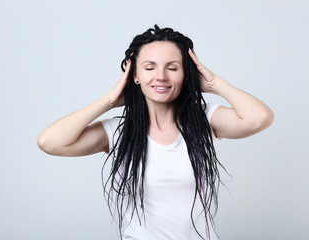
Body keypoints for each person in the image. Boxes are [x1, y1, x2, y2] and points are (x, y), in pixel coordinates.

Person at [37, 25, 274, 240]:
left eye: (173, 68)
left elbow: (259, 118)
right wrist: (109, 100)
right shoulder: (119, 132)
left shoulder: (204, 119)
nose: (161, 76)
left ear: (185, 75)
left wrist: (213, 83)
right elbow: (49, 142)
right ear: (135, 76)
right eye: (149, 67)